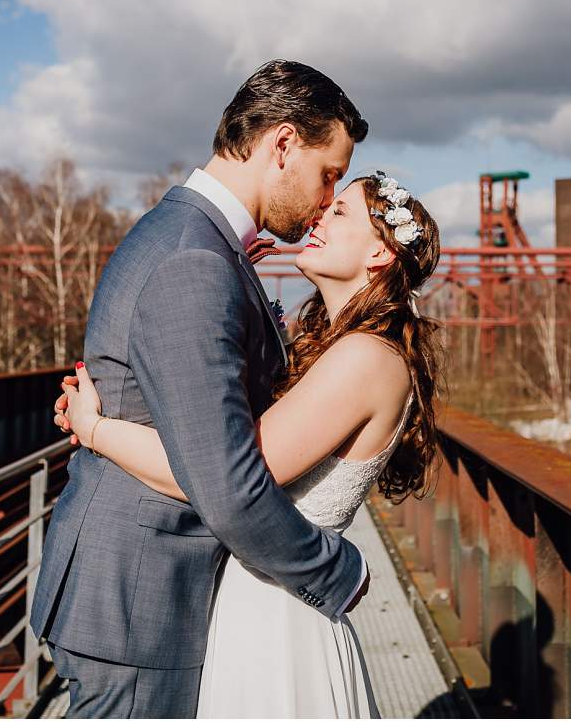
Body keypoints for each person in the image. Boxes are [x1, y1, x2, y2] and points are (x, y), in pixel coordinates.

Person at [28, 60, 372, 718]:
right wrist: (337, 572)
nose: (329, 196)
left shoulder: (196, 239)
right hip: (139, 600)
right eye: (329, 173)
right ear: (282, 145)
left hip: (142, 595)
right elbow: (227, 484)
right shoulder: (195, 258)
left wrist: (100, 427)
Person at [58, 172, 445, 717]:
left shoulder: (364, 358)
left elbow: (223, 475)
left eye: (340, 213)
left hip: (277, 616)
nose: (319, 216)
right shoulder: (343, 348)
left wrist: (96, 428)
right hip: (257, 597)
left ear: (380, 253)